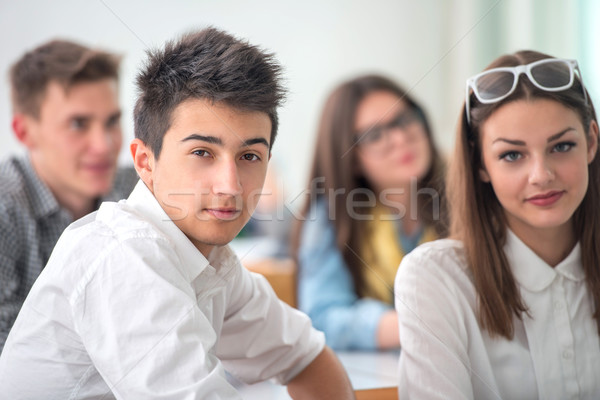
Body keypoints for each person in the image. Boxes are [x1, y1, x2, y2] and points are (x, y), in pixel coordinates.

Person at [0, 28, 354, 399]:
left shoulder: (215, 263)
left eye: (250, 156)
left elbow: (305, 356)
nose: (230, 186)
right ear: (144, 161)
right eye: (202, 152)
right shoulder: (125, 254)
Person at [395, 50, 600, 398]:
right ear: (481, 164)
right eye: (512, 155)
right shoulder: (436, 280)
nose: (541, 175)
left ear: (591, 142)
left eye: (562, 146)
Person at [292, 75, 448, 350]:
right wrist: (422, 325)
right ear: (351, 160)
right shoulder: (331, 216)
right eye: (374, 135)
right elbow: (323, 318)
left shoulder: (465, 191)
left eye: (404, 119)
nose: (400, 138)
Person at [0, 39, 137, 351]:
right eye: (78, 124)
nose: (104, 145)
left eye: (112, 121)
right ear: (24, 132)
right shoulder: (5, 210)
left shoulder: (135, 189)